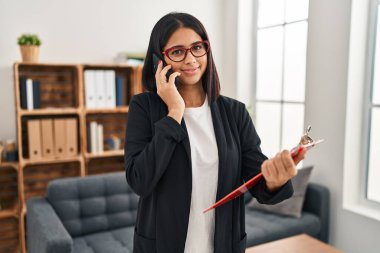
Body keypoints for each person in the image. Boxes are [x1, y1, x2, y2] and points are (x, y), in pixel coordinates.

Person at [124, 12, 306, 253]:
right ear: (160, 60)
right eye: (178, 51)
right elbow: (140, 181)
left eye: (197, 47)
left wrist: (275, 181)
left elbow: (259, 183)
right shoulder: (143, 108)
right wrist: (175, 111)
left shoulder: (235, 112)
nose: (191, 59)